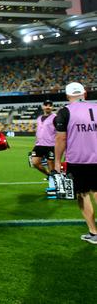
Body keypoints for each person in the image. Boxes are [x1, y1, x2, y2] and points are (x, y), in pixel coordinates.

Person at [53, 82, 97, 244]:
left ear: (67, 96)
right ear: (84, 94)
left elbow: (60, 138)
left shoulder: (65, 112)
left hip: (79, 160)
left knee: (83, 194)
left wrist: (57, 160)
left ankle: (94, 231)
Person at [32, 100, 56, 180]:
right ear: (43, 107)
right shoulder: (39, 118)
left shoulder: (55, 118)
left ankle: (54, 184)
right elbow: (38, 131)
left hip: (51, 145)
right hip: (39, 145)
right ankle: (48, 175)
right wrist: (35, 142)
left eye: (50, 105)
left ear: (52, 107)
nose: (48, 107)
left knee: (51, 164)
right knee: (35, 162)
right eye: (46, 105)